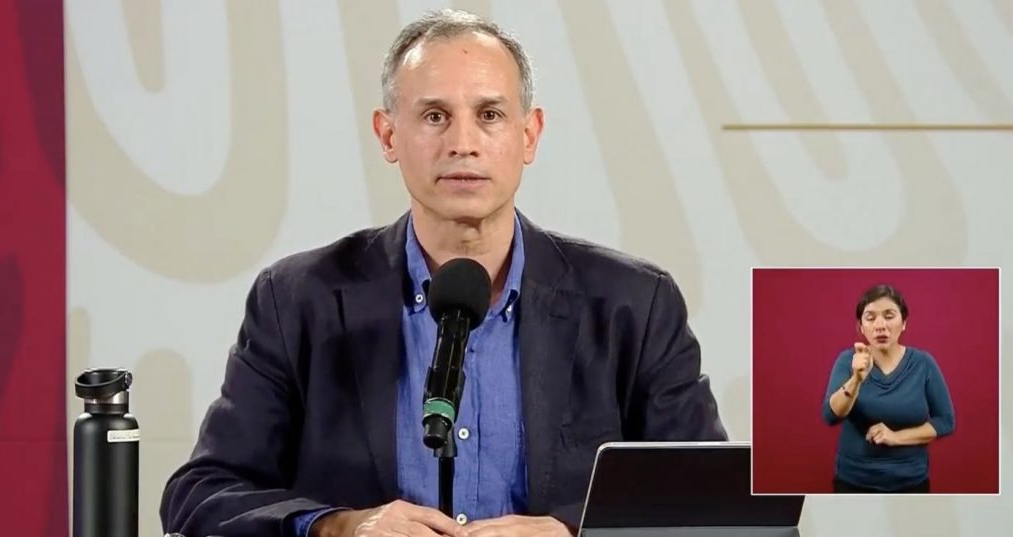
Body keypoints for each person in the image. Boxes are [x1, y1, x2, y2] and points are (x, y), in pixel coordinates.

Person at [160, 9, 727, 537]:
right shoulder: (299, 300)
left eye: (489, 115)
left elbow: (712, 499)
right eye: (435, 116)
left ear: (529, 134)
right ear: (388, 135)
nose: (462, 144)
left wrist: (570, 532)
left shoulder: (634, 303)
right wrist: (342, 526)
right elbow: (202, 495)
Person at [822, 284, 955, 493]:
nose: (880, 325)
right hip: (853, 481)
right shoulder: (848, 361)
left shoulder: (924, 363)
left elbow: (945, 421)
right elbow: (830, 416)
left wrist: (896, 437)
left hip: (911, 482)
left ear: (904, 323)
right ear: (861, 327)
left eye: (889, 316)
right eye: (870, 318)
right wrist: (856, 379)